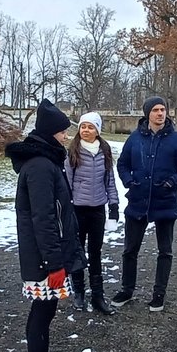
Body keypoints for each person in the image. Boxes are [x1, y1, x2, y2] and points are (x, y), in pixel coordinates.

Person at [7, 99, 83, 352]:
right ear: (51, 133)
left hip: (44, 254)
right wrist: (54, 263)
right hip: (43, 257)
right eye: (63, 132)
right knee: (42, 312)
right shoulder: (40, 165)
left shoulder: (45, 161)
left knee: (44, 311)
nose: (66, 137)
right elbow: (44, 218)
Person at [112, 95, 177, 311]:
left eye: (163, 109)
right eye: (155, 110)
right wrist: (129, 181)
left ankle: (159, 293)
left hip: (165, 202)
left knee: (164, 250)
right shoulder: (135, 139)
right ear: (147, 113)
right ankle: (127, 289)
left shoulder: (176, 139)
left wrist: (170, 183)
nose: (160, 113)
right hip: (138, 201)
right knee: (130, 250)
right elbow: (122, 164)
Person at [64, 111, 118, 315]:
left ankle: (98, 296)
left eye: (91, 127)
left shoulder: (104, 150)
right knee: (78, 252)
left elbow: (110, 181)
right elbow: (67, 183)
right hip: (78, 209)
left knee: (95, 254)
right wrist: (67, 208)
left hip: (97, 210)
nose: (86, 130)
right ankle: (78, 292)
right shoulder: (74, 151)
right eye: (83, 127)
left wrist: (113, 206)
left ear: (97, 130)